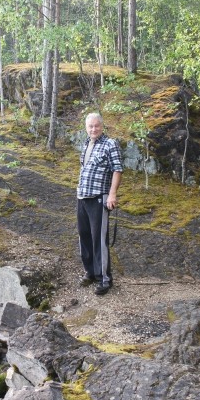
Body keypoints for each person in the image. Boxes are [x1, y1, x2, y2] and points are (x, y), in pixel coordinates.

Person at [76, 112, 123, 295]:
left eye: (96, 126)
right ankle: (90, 272)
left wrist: (112, 194)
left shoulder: (110, 144)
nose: (93, 129)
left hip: (99, 198)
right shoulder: (86, 144)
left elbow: (117, 169)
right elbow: (84, 169)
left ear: (102, 126)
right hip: (82, 197)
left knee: (99, 239)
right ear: (86, 128)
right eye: (90, 126)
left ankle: (105, 278)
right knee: (84, 235)